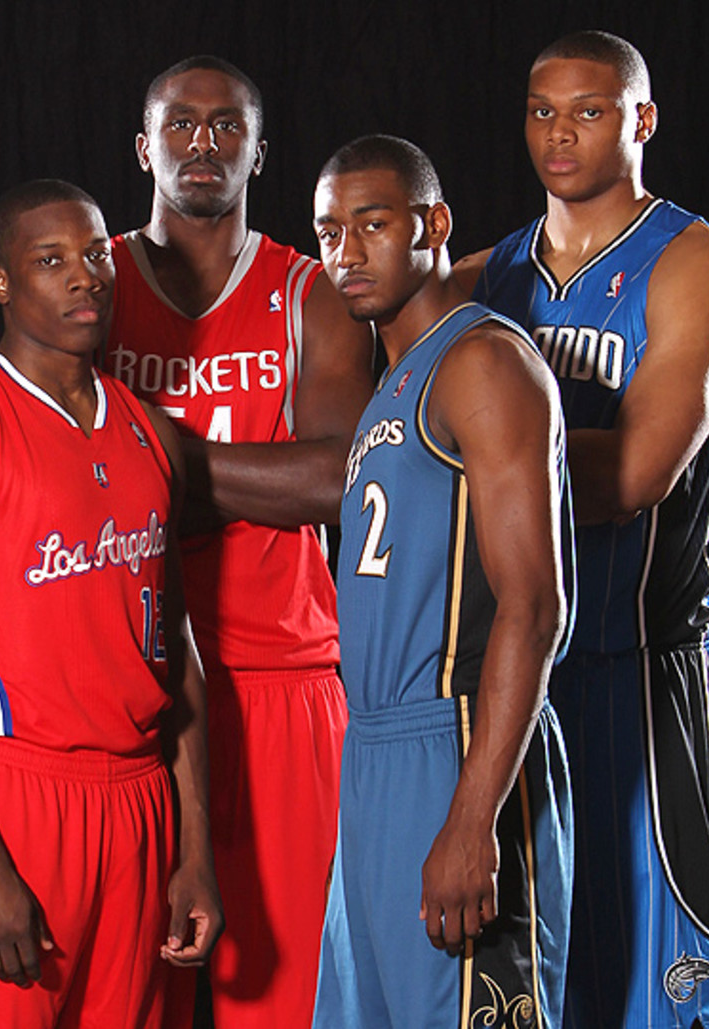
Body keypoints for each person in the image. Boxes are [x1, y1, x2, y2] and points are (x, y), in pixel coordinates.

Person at [460, 30, 709, 1028]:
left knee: (659, 982)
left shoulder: (694, 263)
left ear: (642, 121)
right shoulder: (487, 274)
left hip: (639, 665)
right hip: (515, 671)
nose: (560, 133)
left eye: (588, 110)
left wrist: (478, 460)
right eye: (542, 110)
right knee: (531, 976)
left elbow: (633, 474)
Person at [0, 180, 223, 1029]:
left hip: (140, 804)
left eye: (96, 255)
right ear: (0, 284)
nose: (84, 277)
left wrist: (195, 846)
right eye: (51, 261)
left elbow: (175, 650)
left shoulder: (150, 432)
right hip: (19, 803)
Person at [103, 55, 375, 1029]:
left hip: (282, 681)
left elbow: (342, 479)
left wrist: (158, 466)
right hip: (134, 691)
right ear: (145, 146)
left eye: (228, 126)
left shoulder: (310, 294)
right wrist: (258, 476)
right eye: (181, 124)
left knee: (288, 997)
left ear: (259, 150)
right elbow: (60, 482)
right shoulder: (94, 284)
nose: (204, 142)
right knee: (142, 993)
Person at [311, 134, 574, 1028]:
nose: (346, 251)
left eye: (372, 224)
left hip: (457, 745)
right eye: (329, 231)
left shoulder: (483, 362)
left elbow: (535, 606)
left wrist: (472, 819)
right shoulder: (392, 384)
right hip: (373, 750)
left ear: (434, 225)